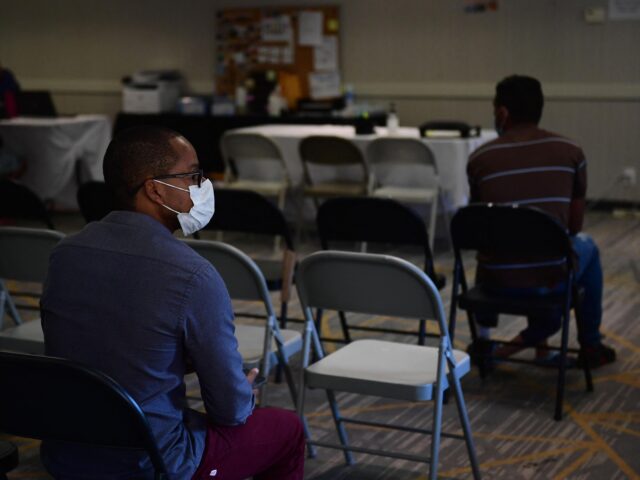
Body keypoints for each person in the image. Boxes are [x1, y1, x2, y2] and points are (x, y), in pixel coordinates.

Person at [40, 126, 305, 479]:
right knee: (287, 429)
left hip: (69, 449)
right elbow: (230, 411)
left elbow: (98, 346)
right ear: (154, 188)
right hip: (150, 459)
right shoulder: (193, 275)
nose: (201, 186)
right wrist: (243, 392)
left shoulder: (65, 255)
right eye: (193, 175)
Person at [466, 74, 616, 369]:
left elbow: (477, 229)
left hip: (494, 281)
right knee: (585, 246)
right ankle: (590, 346)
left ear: (502, 113)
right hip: (548, 280)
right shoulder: (571, 152)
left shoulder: (480, 159)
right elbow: (573, 227)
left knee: (513, 243)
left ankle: (485, 340)